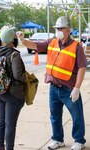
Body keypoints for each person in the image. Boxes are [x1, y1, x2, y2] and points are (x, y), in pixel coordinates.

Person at [18, 16, 87, 150]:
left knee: (77, 116)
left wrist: (77, 88)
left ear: (69, 30)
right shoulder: (52, 42)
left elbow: (82, 68)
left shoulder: (76, 46)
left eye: (61, 28)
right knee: (55, 115)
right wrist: (22, 39)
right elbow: (35, 46)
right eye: (57, 28)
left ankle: (79, 140)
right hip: (54, 88)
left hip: (69, 88)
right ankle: (57, 139)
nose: (58, 30)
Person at [0, 26, 26, 150]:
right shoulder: (14, 54)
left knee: (1, 121)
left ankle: (0, 147)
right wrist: (27, 79)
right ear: (13, 40)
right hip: (13, 94)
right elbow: (18, 75)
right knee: (10, 124)